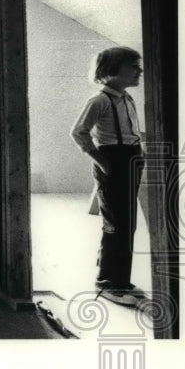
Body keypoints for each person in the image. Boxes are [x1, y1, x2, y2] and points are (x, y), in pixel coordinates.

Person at [70, 46, 146, 306]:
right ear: (112, 70)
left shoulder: (127, 99)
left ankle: (121, 279)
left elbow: (131, 132)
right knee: (115, 224)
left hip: (131, 160)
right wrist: (103, 163)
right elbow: (79, 132)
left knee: (127, 223)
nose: (140, 71)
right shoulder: (99, 101)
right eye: (133, 66)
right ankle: (108, 282)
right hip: (113, 162)